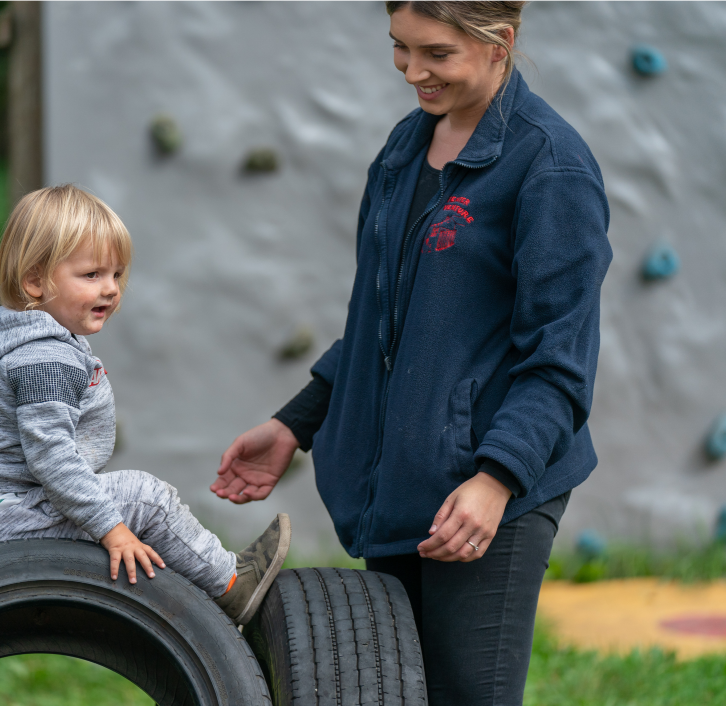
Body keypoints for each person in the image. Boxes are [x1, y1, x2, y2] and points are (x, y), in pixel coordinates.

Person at [210, 2, 611, 703]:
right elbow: (382, 322)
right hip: (397, 485)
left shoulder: (552, 169)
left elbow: (559, 361)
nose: (413, 72)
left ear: (500, 44)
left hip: (492, 497)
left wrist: (496, 479)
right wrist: (297, 422)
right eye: (399, 48)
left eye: (437, 54)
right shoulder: (404, 148)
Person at [0, 184, 291, 627]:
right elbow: (52, 457)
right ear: (36, 281)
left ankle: (193, 590)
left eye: (117, 274)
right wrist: (111, 529)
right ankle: (231, 586)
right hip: (15, 516)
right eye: (92, 275)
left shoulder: (20, 338)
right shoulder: (46, 358)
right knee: (147, 498)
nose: (111, 289)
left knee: (131, 499)